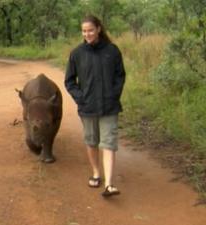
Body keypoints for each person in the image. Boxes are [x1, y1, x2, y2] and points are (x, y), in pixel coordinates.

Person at [64, 15, 125, 197]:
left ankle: (109, 184)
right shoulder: (77, 54)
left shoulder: (112, 51)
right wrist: (81, 98)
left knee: (108, 143)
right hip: (87, 107)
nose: (87, 34)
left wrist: (114, 95)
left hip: (109, 106)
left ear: (98, 29)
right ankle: (96, 173)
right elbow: (69, 81)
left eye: (90, 30)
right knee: (92, 141)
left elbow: (120, 76)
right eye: (84, 31)